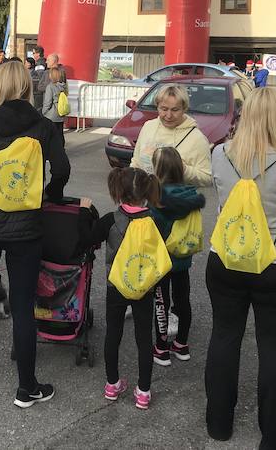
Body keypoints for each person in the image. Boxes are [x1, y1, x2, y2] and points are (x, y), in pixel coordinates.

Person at [0, 60, 69, 406]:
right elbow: (62, 169)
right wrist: (47, 196)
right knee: (22, 304)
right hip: (26, 228)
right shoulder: (43, 126)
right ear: (26, 87)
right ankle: (27, 387)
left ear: (2, 86)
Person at [207, 87, 276, 449]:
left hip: (226, 258)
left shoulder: (220, 153)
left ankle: (219, 422)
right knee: (275, 347)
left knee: (224, 337)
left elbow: (220, 196)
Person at [90, 167, 162, 410]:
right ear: (146, 191)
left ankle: (112, 384)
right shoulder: (154, 220)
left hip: (116, 286)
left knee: (114, 334)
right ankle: (143, 392)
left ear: (118, 191)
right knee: (144, 338)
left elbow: (88, 238)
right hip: (145, 288)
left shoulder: (111, 220)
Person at [148, 147, 205, 367]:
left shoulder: (157, 198)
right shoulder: (190, 195)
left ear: (158, 169)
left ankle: (161, 347)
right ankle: (181, 344)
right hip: (183, 258)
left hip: (163, 260)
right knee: (183, 300)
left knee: (162, 303)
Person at [130, 84, 212, 187]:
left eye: (175, 110)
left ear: (184, 109)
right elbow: (136, 161)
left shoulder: (197, 138)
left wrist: (182, 169)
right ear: (157, 106)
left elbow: (207, 178)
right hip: (145, 198)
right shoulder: (148, 126)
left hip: (176, 201)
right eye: (164, 109)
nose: (168, 115)